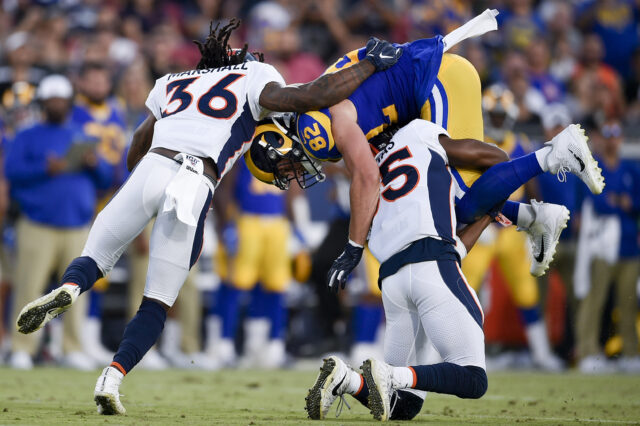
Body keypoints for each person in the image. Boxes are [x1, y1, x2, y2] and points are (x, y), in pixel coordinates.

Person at [14, 19, 402, 415]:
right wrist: (368, 63)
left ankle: (71, 290)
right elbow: (315, 94)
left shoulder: (170, 80)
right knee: (157, 301)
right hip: (196, 178)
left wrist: (141, 190)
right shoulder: (254, 74)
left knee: (96, 258)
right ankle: (111, 377)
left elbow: (136, 147)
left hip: (152, 165)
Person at [288, 9, 604, 289]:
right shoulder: (335, 115)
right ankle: (531, 214)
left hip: (435, 79)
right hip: (428, 85)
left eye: (285, 167)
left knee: (460, 201)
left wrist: (353, 246)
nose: (294, 172)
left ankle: (553, 154)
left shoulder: (324, 124)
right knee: (452, 200)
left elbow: (366, 177)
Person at [6, 74, 114, 370]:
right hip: (37, 223)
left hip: (77, 225)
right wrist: (45, 167)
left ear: (68, 102)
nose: (57, 104)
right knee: (29, 286)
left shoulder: (82, 134)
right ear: (43, 102)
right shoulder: (27, 135)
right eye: (51, 99)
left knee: (73, 291)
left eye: (61, 99)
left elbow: (106, 178)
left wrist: (95, 163)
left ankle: (73, 348)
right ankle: (22, 347)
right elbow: (12, 172)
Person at [461, 84, 564, 371]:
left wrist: (535, 224)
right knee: (466, 289)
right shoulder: (473, 142)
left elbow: (532, 186)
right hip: (481, 228)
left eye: (498, 115)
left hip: (511, 231)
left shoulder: (520, 144)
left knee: (526, 292)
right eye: (491, 115)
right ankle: (464, 355)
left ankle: (542, 354)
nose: (495, 120)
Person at [575, 119, 640, 374]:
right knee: (595, 300)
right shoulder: (593, 166)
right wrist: (621, 203)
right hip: (601, 244)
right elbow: (597, 202)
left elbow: (635, 201)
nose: (612, 141)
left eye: (616, 136)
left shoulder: (630, 169)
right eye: (608, 136)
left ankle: (631, 352)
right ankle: (587, 350)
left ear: (621, 139)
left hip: (628, 247)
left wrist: (624, 202)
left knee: (627, 303)